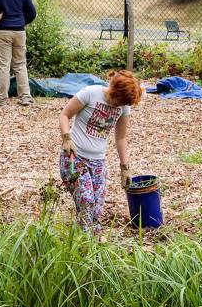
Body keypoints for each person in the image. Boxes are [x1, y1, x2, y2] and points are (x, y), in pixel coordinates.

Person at [58, 70, 141, 232]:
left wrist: (125, 168)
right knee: (86, 201)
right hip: (75, 157)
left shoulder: (123, 107)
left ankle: (89, 243)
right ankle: (86, 243)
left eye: (123, 104)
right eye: (118, 100)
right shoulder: (90, 93)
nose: (118, 105)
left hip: (98, 161)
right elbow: (64, 115)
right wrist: (66, 138)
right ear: (112, 89)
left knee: (97, 206)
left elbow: (121, 138)